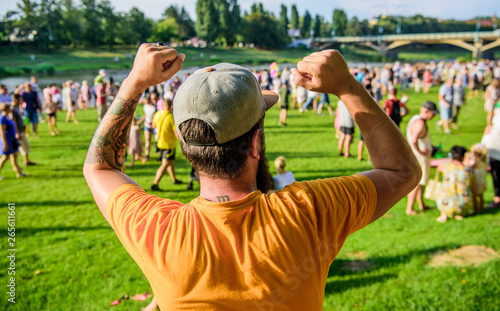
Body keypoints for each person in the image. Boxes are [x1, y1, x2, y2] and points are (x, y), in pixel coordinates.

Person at [83, 45, 420, 310]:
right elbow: (402, 171)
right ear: (256, 143)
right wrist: (347, 85)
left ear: (185, 148)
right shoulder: (309, 211)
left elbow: (101, 167)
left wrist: (134, 83)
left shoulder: (155, 230)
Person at [406, 101, 439, 215]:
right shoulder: (420, 124)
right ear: (426, 111)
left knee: (420, 181)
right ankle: (410, 208)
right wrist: (421, 152)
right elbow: (414, 140)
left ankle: (421, 205)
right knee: (417, 183)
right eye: (433, 114)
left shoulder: (415, 119)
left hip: (416, 156)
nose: (433, 116)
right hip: (419, 157)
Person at [150, 98, 182, 191]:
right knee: (165, 164)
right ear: (171, 106)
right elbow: (176, 133)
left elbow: (153, 126)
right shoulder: (171, 117)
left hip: (160, 142)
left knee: (170, 162)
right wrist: (182, 142)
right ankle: (155, 183)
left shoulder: (157, 114)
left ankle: (174, 179)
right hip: (169, 144)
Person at [436, 146, 473, 223]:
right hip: (462, 201)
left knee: (445, 191)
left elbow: (439, 168)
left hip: (447, 199)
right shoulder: (466, 169)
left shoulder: (447, 165)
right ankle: (459, 213)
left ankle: (444, 214)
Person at [0, 103, 26, 180]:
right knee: (5, 157)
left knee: (14, 156)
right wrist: (5, 143)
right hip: (7, 140)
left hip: (13, 139)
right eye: (9, 108)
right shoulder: (2, 119)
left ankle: (19, 173)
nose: (11, 109)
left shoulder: (8, 117)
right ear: (5, 109)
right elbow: (2, 132)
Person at [466, 143, 488, 213]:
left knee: (474, 196)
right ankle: (481, 208)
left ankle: (475, 209)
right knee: (481, 196)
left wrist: (466, 158)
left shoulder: (476, 163)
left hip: (476, 183)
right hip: (482, 182)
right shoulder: (484, 161)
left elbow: (468, 167)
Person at [138, 93, 157, 163]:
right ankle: (147, 154)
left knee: (156, 139)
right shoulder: (145, 107)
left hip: (154, 125)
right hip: (147, 125)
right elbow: (146, 115)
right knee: (147, 140)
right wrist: (140, 121)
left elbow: (155, 116)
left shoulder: (154, 107)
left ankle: (159, 152)